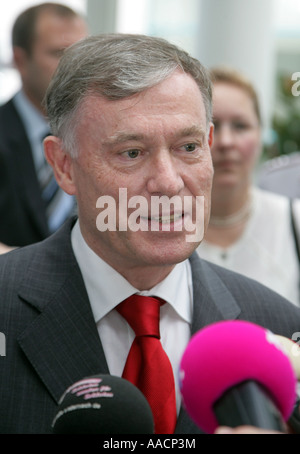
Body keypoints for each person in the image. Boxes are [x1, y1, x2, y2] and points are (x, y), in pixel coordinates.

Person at [0, 34, 300, 435]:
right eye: (131, 152)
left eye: (188, 147)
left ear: (209, 146)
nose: (168, 183)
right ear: (64, 166)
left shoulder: (278, 329)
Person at [197, 66, 300, 306]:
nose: (225, 142)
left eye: (240, 126)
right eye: (211, 127)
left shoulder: (293, 220)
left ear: (261, 135)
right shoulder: (163, 227)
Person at [0, 2, 87, 250]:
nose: (75, 67)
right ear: (20, 60)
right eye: (59, 53)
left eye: (81, 53)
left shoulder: (105, 134)